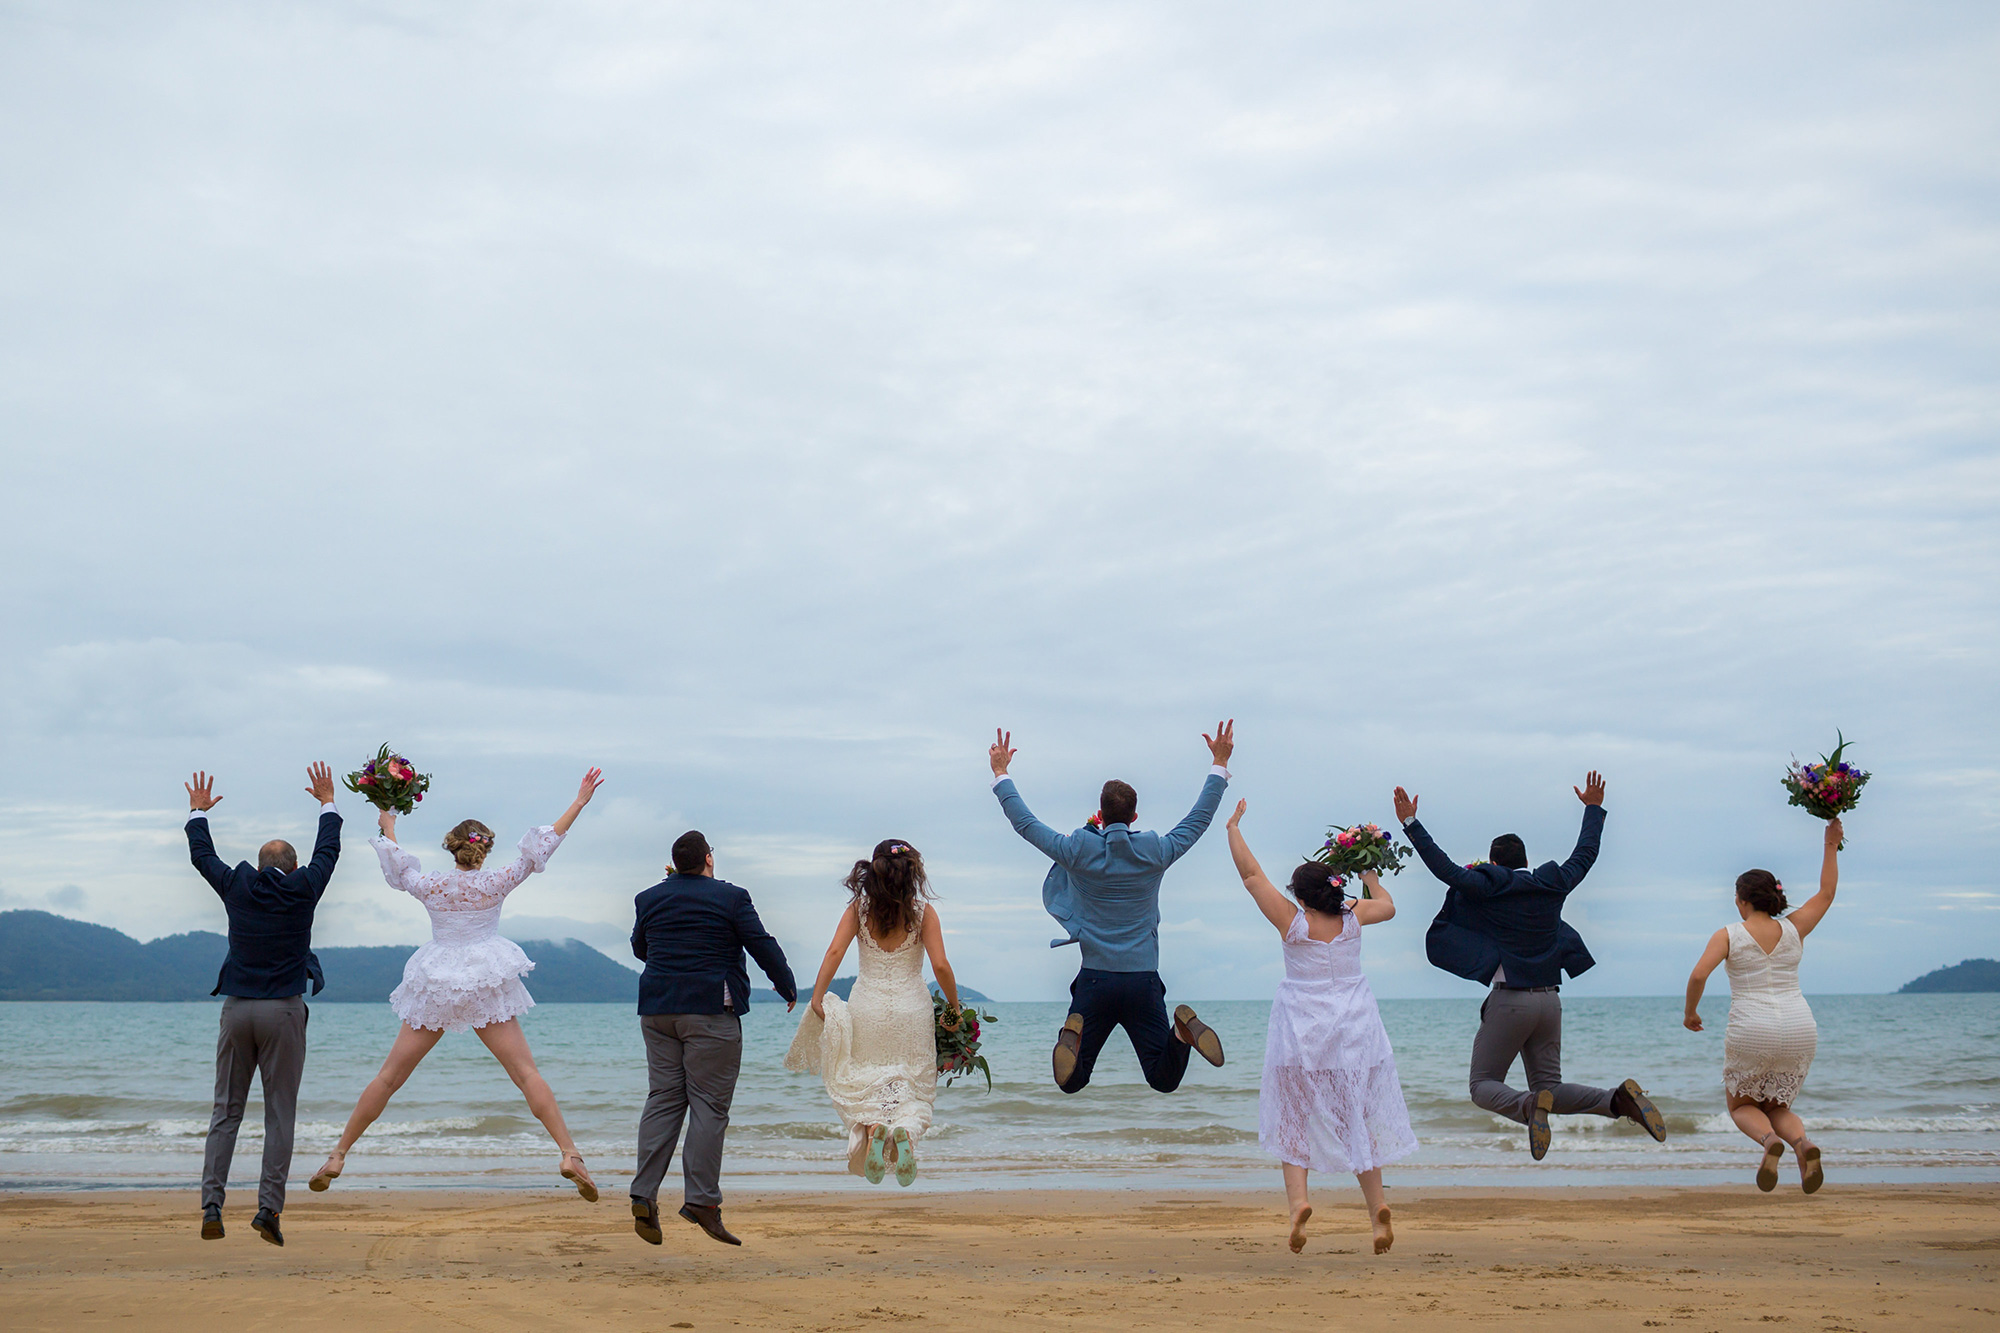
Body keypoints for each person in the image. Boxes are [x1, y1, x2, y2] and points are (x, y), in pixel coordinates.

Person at [308, 769, 605, 1202]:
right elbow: (543, 845)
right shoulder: (495, 882)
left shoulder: (431, 885)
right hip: (484, 979)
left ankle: (337, 1154)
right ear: (483, 850)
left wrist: (387, 817)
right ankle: (569, 1153)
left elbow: (394, 858)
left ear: (453, 848)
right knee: (526, 1074)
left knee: (390, 1077)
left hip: (438, 980)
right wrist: (578, 802)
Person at [1396, 772, 1667, 1158]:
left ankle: (1527, 1107)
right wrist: (1592, 808)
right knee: (1550, 1088)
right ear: (1526, 861)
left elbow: (1444, 868)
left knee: (1483, 1085)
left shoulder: (1489, 885)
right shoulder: (1551, 884)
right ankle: (1617, 1101)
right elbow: (1585, 854)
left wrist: (1410, 823)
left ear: (1492, 863)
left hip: (1511, 1001)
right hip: (1549, 1002)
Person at [988, 722, 1233, 1095]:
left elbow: (1025, 823)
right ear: (1134, 817)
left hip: (1095, 981)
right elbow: (1199, 820)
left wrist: (1001, 773)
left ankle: (1071, 1036)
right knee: (1162, 1078)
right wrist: (1219, 763)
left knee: (1073, 1080)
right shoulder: (1156, 851)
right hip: (1142, 982)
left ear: (1098, 816)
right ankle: (1182, 1035)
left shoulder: (1077, 850)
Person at [1227, 800, 1416, 1255]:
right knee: (1359, 1118)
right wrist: (1369, 874)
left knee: (1293, 1120)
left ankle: (1298, 1205)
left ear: (1302, 896)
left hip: (1303, 1032)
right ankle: (1377, 1213)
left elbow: (1252, 877)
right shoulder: (1353, 916)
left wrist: (1233, 827)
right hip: (1355, 1032)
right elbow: (1387, 907)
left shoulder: (1295, 923)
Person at [183, 763, 342, 1246]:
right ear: (293, 867)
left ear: (257, 863)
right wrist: (327, 802)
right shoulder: (304, 888)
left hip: (237, 1011)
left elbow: (201, 855)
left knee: (225, 1112)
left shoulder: (236, 885)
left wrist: (198, 811)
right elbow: (329, 851)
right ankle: (268, 1211)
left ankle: (212, 1204)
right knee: (279, 1114)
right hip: (284, 1011)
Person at [629, 830, 798, 1248]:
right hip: (709, 1012)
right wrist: (786, 985)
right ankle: (702, 1201)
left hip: (657, 1010)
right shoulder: (732, 897)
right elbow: (760, 943)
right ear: (708, 859)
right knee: (708, 1106)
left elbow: (639, 947)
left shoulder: (648, 898)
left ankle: (644, 1192)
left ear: (675, 863)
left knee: (663, 1099)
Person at [784, 839, 961, 1187]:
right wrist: (954, 1010)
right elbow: (940, 965)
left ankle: (873, 1126)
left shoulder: (858, 911)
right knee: (914, 1085)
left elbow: (835, 952)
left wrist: (818, 997)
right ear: (912, 874)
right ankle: (905, 1133)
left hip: (868, 1008)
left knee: (864, 1081)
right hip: (912, 1010)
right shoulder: (924, 913)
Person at [1683, 816, 1843, 1194]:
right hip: (1799, 1026)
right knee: (1778, 1107)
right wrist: (1830, 844)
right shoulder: (1794, 927)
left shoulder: (1729, 934)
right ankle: (1802, 1145)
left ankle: (1769, 1142)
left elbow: (1698, 976)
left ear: (1741, 900)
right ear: (1774, 897)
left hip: (1752, 1028)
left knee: (1741, 1108)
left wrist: (1690, 1013)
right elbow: (1826, 893)